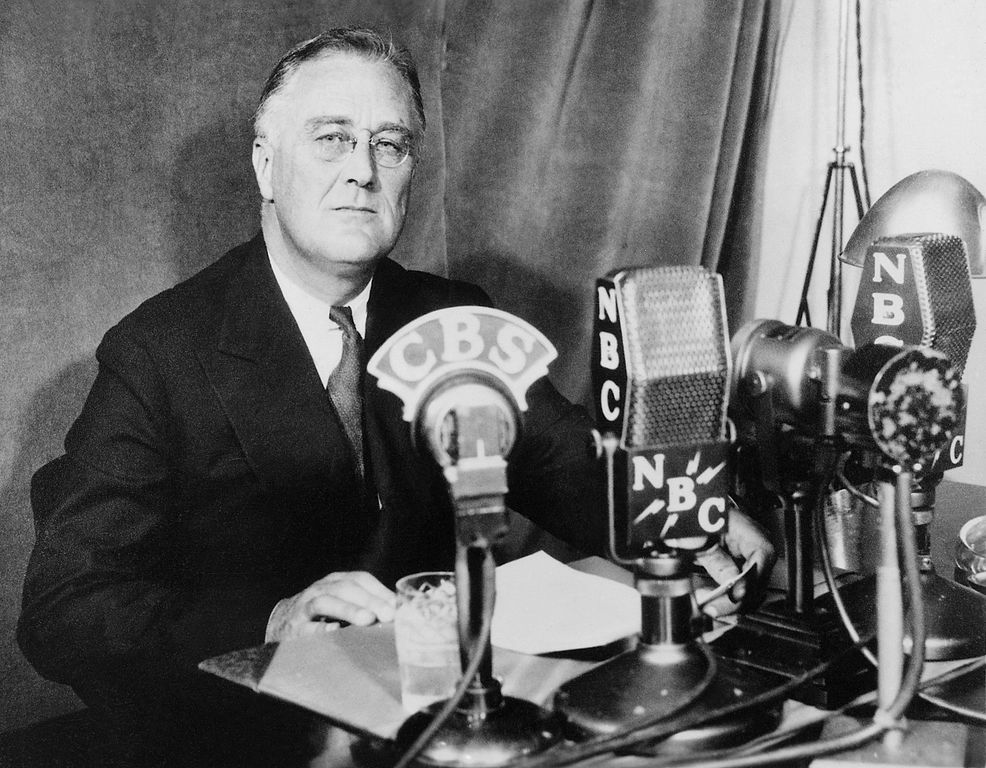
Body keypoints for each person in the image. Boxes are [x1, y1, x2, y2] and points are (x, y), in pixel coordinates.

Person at [17, 26, 775, 767]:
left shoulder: (456, 318)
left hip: (449, 725)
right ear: (263, 165)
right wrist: (271, 622)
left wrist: (680, 517)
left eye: (391, 144)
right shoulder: (162, 349)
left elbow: (569, 464)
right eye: (331, 139)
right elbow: (66, 605)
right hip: (251, 738)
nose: (363, 172)